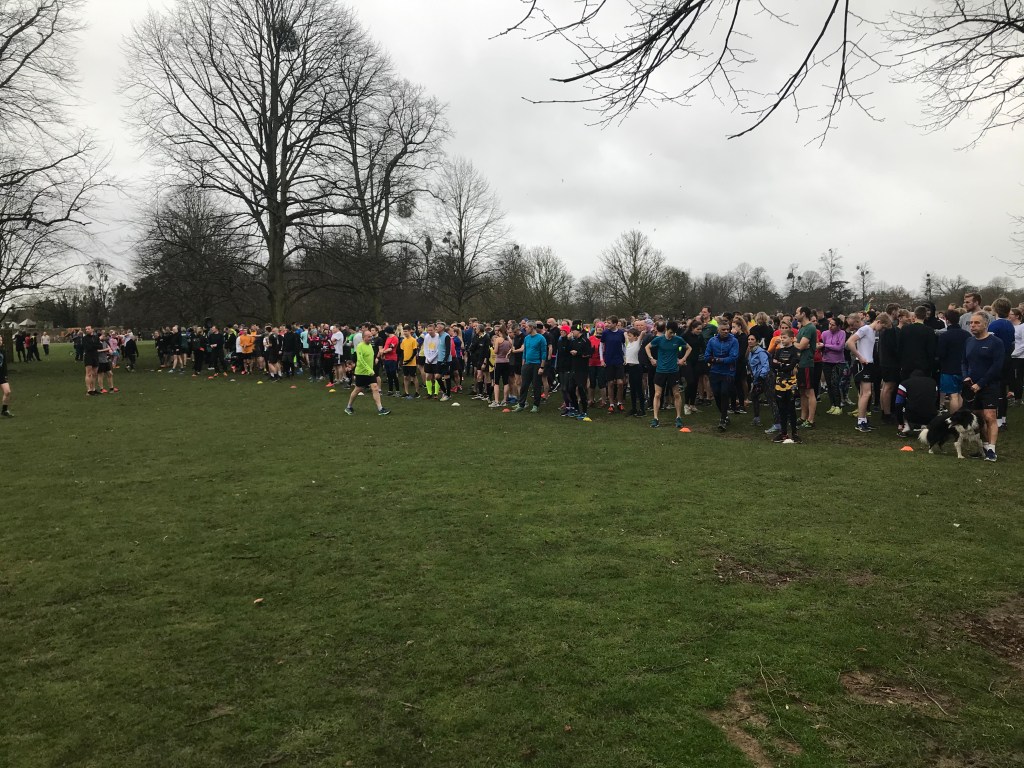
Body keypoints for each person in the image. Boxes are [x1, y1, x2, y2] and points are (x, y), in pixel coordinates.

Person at [964, 312, 1004, 461]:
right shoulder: (969, 341)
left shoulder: (996, 342)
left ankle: (992, 450)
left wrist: (981, 383)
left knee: (990, 416)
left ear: (986, 324)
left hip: (990, 385)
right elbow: (964, 361)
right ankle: (985, 447)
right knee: (979, 419)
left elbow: (996, 366)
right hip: (972, 386)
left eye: (977, 323)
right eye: (971, 323)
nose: (973, 325)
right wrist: (965, 376)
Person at [847, 312, 889, 433]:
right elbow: (850, 342)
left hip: (868, 364)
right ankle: (861, 422)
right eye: (882, 327)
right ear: (879, 322)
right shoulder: (865, 329)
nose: (881, 330)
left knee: (864, 393)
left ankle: (863, 420)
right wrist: (860, 356)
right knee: (867, 393)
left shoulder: (871, 331)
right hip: (863, 364)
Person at [646, 320, 688, 429]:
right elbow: (647, 347)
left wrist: (683, 359)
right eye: (670, 332)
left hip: (674, 371)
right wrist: (651, 359)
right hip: (660, 371)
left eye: (673, 333)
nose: (671, 335)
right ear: (666, 329)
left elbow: (689, 348)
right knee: (657, 394)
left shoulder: (678, 339)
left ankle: (678, 417)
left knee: (676, 394)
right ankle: (655, 418)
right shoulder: (659, 339)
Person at [344, 330, 391, 416]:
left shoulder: (370, 345)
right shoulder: (360, 346)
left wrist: (375, 361)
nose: (371, 338)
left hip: (370, 372)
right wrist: (369, 370)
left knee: (375, 388)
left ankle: (380, 408)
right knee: (357, 389)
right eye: (369, 336)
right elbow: (360, 360)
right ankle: (349, 407)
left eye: (371, 336)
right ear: (363, 337)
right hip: (361, 373)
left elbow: (370, 357)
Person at [704, 318, 739, 431]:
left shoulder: (734, 341)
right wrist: (717, 360)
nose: (726, 331)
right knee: (717, 394)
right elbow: (706, 356)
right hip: (715, 371)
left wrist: (717, 360)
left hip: (728, 372)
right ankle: (725, 415)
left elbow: (733, 357)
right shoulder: (712, 341)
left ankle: (722, 419)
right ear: (718, 330)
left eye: (728, 329)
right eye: (723, 330)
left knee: (724, 393)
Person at [987, 297, 1015, 430]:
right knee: (1003, 390)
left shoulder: (994, 325)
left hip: (997, 360)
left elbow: (990, 344)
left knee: (996, 390)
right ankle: (1003, 419)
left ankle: (998, 420)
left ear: (995, 309)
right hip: (1008, 358)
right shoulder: (1010, 324)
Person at [771, 328, 801, 443]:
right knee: (781, 409)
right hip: (779, 383)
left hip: (791, 383)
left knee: (791, 408)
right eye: (781, 337)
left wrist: (781, 364)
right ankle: (783, 433)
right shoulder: (778, 351)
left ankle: (795, 433)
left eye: (784, 337)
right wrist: (784, 365)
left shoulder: (795, 351)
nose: (782, 340)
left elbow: (791, 366)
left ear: (792, 339)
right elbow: (773, 364)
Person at [936, 309, 969, 412]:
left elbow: (941, 353)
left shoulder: (944, 336)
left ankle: (955, 417)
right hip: (964, 369)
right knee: (960, 394)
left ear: (947, 320)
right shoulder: (967, 334)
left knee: (953, 396)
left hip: (948, 369)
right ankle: (961, 416)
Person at [897, 306, 938, 382]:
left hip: (907, 365)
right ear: (925, 316)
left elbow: (900, 347)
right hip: (923, 366)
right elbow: (931, 350)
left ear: (915, 315)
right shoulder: (929, 331)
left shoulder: (905, 329)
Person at [894, 369, 939, 438]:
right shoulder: (933, 382)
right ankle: (926, 425)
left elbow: (898, 404)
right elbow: (936, 399)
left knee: (902, 406)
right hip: (931, 415)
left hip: (912, 415)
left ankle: (905, 427)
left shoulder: (904, 384)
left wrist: (900, 423)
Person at [516, 321, 548, 413]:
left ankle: (536, 405)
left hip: (537, 364)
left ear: (532, 327)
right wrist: (523, 363)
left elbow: (544, 353)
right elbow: (525, 351)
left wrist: (542, 367)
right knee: (524, 385)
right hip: (527, 364)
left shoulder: (541, 338)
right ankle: (521, 404)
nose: (525, 329)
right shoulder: (527, 338)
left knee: (536, 385)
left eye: (526, 327)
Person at [794, 306, 818, 429]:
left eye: (797, 312)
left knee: (809, 392)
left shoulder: (809, 328)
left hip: (807, 363)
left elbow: (801, 346)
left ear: (803, 314)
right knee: (802, 391)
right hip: (800, 363)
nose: (795, 314)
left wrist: (791, 342)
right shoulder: (802, 328)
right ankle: (803, 417)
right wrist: (796, 343)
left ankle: (811, 420)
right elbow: (799, 344)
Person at [820, 316, 847, 414]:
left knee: (835, 383)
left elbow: (839, 347)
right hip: (826, 361)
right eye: (830, 324)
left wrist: (826, 346)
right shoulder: (824, 333)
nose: (830, 326)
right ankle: (832, 405)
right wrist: (827, 347)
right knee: (829, 384)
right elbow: (821, 346)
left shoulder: (842, 333)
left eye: (833, 325)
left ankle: (838, 405)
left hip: (838, 362)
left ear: (838, 326)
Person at [600, 316, 627, 413]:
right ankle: (611, 404)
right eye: (607, 322)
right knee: (610, 383)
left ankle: (619, 402)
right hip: (609, 360)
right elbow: (601, 346)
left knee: (620, 383)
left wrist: (625, 357)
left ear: (615, 324)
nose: (607, 324)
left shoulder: (621, 333)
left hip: (619, 360)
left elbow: (624, 346)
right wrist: (602, 359)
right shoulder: (605, 333)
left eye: (609, 323)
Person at [747, 333, 770, 427]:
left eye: (752, 339)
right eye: (749, 339)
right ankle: (756, 418)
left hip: (764, 379)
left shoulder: (760, 352)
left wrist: (761, 376)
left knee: (772, 399)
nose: (750, 341)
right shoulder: (751, 352)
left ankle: (780, 421)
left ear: (757, 341)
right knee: (754, 396)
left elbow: (765, 365)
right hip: (757, 378)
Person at [624, 327, 646, 417]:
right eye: (628, 336)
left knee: (639, 389)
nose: (629, 337)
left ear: (636, 337)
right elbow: (625, 334)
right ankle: (634, 408)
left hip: (637, 367)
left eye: (631, 336)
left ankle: (642, 409)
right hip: (630, 368)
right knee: (632, 389)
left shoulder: (637, 343)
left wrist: (640, 330)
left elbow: (642, 333)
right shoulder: (628, 343)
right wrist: (628, 333)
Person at [82, 325, 101, 395]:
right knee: (89, 373)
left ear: (92, 329)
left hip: (95, 356)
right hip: (88, 356)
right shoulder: (84, 338)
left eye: (88, 329)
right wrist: (95, 345)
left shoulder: (96, 337)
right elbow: (87, 347)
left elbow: (100, 346)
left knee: (95, 374)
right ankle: (89, 390)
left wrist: (93, 345)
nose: (87, 330)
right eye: (86, 329)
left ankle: (93, 389)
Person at [0, 334, 11, 418]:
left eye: (1, 340)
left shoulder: (2, 351)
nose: (0, 342)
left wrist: (5, 375)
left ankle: (4, 410)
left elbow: (4, 365)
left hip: (1, 375)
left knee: (7, 392)